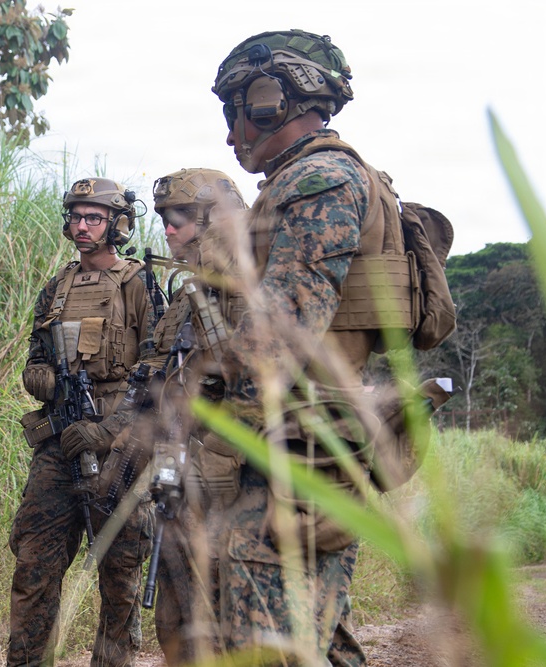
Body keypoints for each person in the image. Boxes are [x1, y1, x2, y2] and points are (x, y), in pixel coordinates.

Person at [197, 28, 404, 664]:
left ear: (270, 102)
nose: (231, 135)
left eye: (235, 112)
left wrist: (210, 423)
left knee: (271, 644)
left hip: (292, 446)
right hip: (300, 441)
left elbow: (281, 334)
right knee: (316, 636)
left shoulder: (320, 179)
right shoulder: (316, 178)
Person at [8, 177, 155, 667]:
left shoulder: (138, 284)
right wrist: (43, 379)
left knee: (119, 573)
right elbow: (35, 355)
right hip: (60, 442)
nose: (82, 226)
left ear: (117, 224)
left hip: (120, 448)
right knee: (34, 564)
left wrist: (111, 430)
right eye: (75, 216)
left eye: (94, 217)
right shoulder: (56, 287)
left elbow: (158, 374)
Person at [139, 168, 249, 666]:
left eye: (179, 218)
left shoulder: (247, 285)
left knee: (227, 613)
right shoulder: (188, 294)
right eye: (163, 218)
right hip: (181, 471)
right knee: (176, 617)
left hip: (231, 475)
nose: (167, 229)